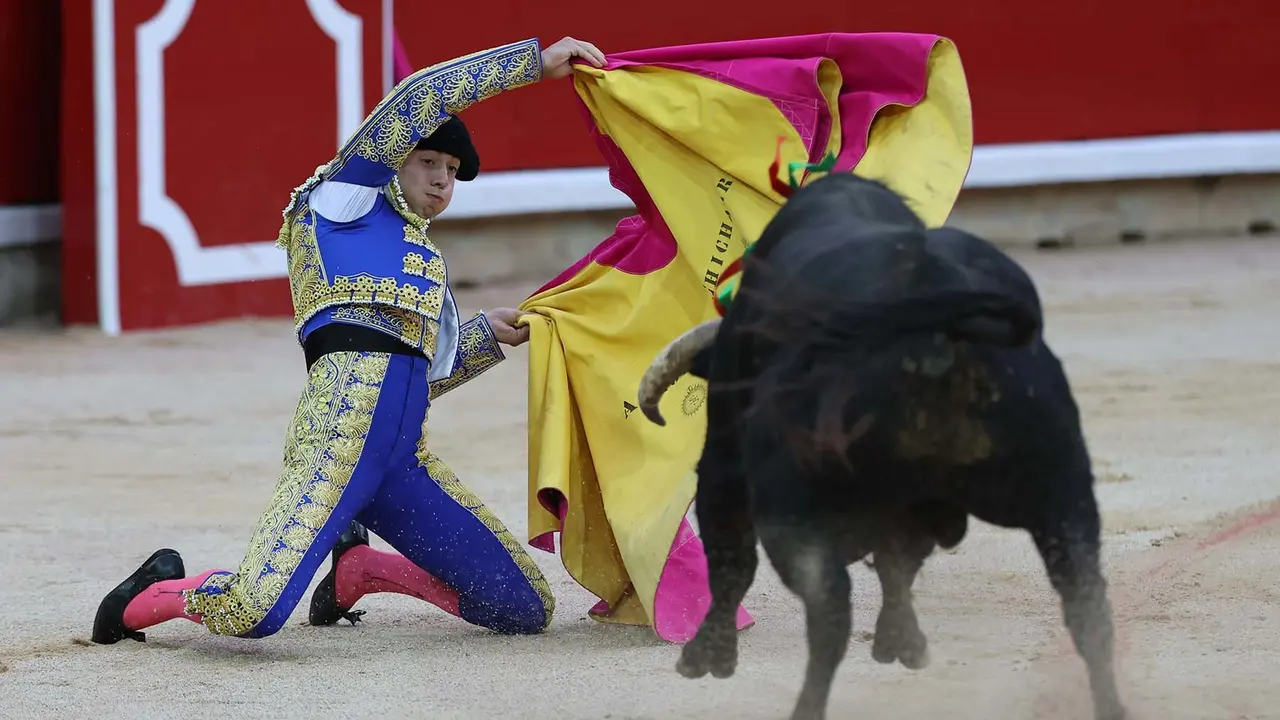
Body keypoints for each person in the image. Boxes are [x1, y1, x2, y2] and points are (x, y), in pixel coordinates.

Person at [91, 35, 607, 644]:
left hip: (399, 463)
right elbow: (420, 96)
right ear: (394, 157)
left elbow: (418, 380)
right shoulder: (343, 199)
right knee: (253, 612)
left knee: (521, 606)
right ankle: (147, 597)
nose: (442, 180)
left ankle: (363, 569)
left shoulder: (422, 261)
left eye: (452, 172)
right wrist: (532, 64)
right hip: (335, 450)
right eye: (428, 161)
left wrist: (484, 338)